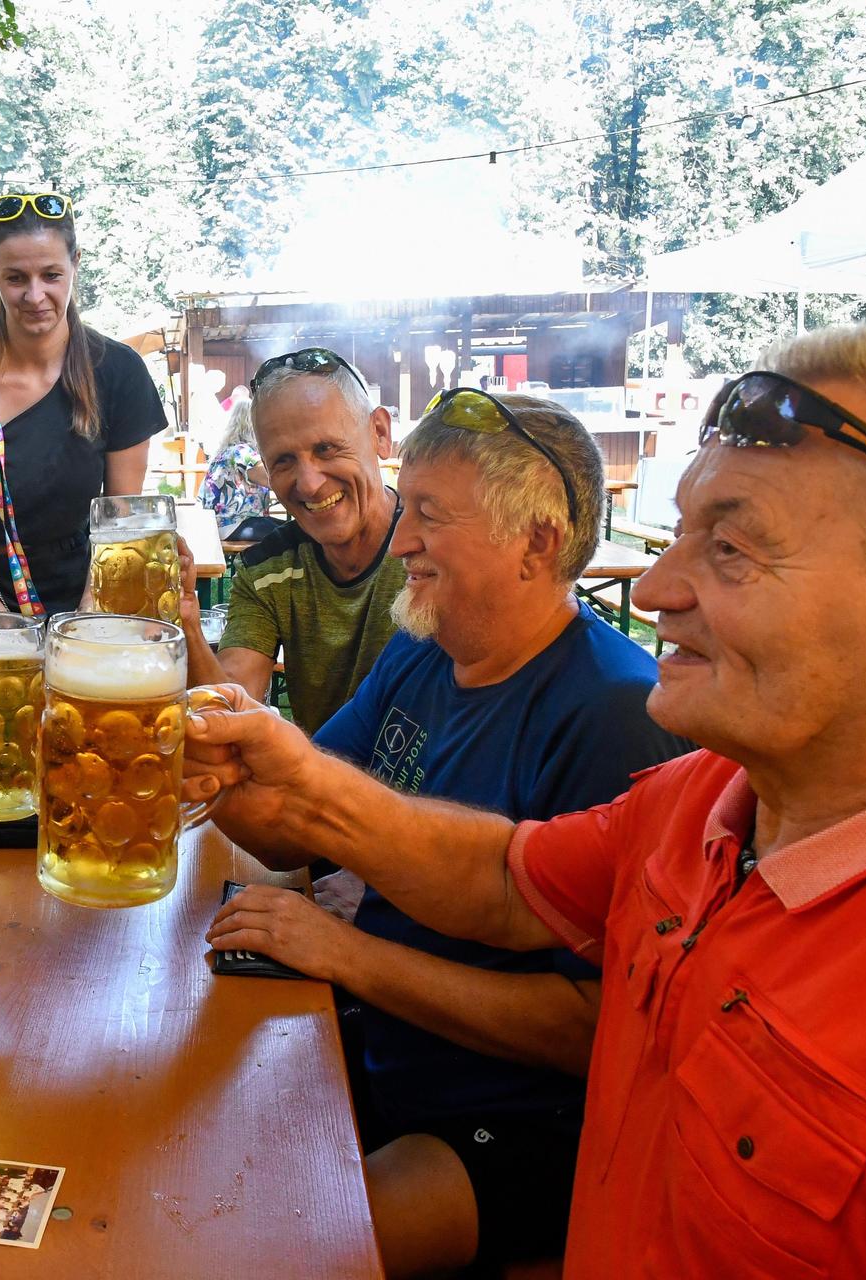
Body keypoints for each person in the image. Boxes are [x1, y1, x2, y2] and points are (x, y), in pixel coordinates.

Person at [185, 324, 866, 1277]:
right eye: (679, 534)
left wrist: (340, 944)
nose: (663, 586)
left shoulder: (625, 718)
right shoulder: (696, 800)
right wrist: (281, 770)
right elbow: (506, 882)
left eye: (732, 548)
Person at [208, 392, 691, 1276]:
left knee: (277, 1249)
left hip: (527, 1118)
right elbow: (294, 830)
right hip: (382, 1046)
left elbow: (595, 1028)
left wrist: (346, 956)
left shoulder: (619, 712)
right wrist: (190, 743)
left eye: (428, 516)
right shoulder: (423, 647)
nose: (399, 544)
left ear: (537, 542)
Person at [0, 192, 167, 617]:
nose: (35, 296)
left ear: (76, 263)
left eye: (51, 275)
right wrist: (5, 630)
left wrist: (83, 623)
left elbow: (121, 522)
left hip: (85, 598)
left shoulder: (118, 372)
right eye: (16, 278)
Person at [184, 348, 409, 732]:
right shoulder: (267, 569)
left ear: (380, 433)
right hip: (317, 786)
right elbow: (231, 707)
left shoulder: (431, 548)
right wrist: (185, 618)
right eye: (283, 461)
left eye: (327, 449)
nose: (308, 483)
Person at [198, 390, 274, 538]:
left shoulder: (224, 453)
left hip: (218, 526)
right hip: (235, 524)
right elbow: (273, 480)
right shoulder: (242, 452)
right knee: (296, 534)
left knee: (290, 531)